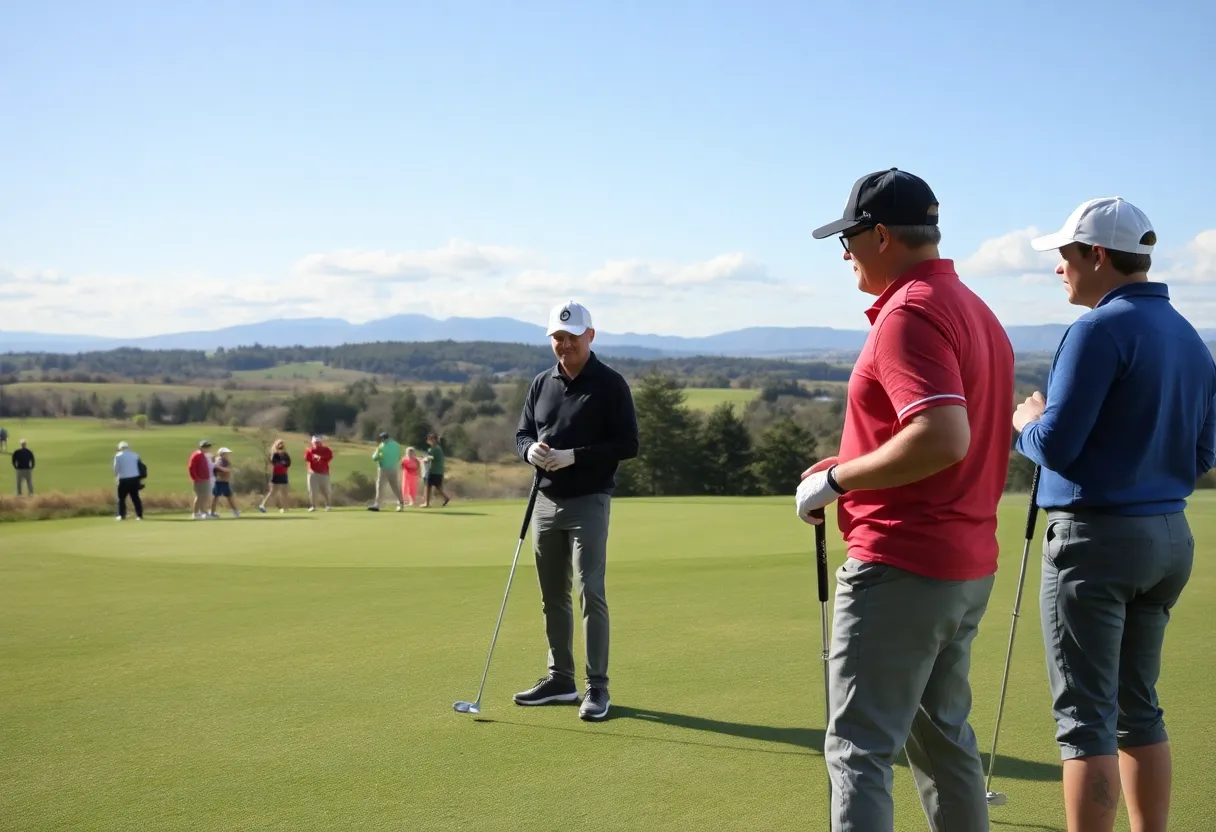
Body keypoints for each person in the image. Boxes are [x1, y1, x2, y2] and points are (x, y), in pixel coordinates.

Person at [796, 169, 1014, 831]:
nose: (845, 254)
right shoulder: (973, 308)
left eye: (850, 239)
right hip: (965, 564)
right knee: (946, 745)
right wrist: (846, 463)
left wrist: (839, 482)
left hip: (901, 564)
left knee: (857, 750)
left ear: (881, 235)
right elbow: (943, 436)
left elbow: (942, 437)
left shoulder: (909, 312)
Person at [1012, 197, 1215, 832]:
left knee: (1085, 720)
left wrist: (1025, 423)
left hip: (1094, 543)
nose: (1060, 270)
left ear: (1097, 255)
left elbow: (1054, 445)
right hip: (1170, 538)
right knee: (1139, 708)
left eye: (1066, 257)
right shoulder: (1188, 334)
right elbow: (1204, 451)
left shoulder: (1097, 329)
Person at [512, 300, 639, 721]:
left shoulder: (610, 384)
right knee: (552, 596)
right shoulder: (541, 383)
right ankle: (560, 680)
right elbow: (522, 433)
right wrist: (531, 450)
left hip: (589, 500)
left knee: (590, 592)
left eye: (571, 337)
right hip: (545, 500)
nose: (563, 345)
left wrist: (574, 457)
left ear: (590, 335)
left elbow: (627, 445)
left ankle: (597, 687)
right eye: (557, 338)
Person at [369, 431, 404, 512]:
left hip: (383, 468)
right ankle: (400, 503)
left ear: (383, 439)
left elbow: (374, 457)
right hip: (393, 468)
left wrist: (377, 458)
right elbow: (399, 457)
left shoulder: (382, 446)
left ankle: (377, 504)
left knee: (380, 486)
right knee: (395, 486)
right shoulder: (396, 445)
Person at [259, 439, 291, 513]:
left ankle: (285, 508)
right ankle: (263, 505)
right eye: (279, 444)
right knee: (273, 492)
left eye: (282, 444)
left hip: (284, 474)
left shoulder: (286, 455)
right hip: (276, 475)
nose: (281, 446)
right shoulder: (275, 454)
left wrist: (283, 463)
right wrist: (282, 463)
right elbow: (275, 462)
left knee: (284, 492)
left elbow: (288, 463)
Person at [113, 440, 143, 521]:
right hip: (135, 479)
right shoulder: (135, 455)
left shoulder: (118, 456)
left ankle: (121, 515)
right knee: (135, 498)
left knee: (121, 498)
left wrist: (117, 477)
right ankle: (139, 515)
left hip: (123, 479)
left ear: (120, 448)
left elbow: (116, 469)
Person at [304, 435, 334, 512]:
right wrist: (311, 453)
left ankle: (328, 505)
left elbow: (330, 456)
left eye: (318, 442)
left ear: (321, 442)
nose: (317, 444)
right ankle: (313, 506)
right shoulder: (309, 450)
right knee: (312, 490)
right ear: (312, 443)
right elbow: (306, 459)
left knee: (326, 490)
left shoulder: (326, 450)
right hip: (312, 473)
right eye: (315, 443)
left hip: (324, 473)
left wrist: (321, 457)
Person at [422, 433, 450, 507]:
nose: (428, 440)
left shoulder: (435, 448)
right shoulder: (436, 448)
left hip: (434, 470)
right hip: (438, 471)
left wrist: (424, 459)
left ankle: (427, 503)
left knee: (428, 486)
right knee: (437, 487)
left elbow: (430, 458)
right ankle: (446, 498)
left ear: (433, 440)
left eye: (429, 439)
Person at [210, 447, 240, 518]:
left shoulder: (222, 460)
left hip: (223, 481)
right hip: (220, 481)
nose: (228, 454)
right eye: (226, 453)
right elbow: (221, 468)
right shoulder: (221, 460)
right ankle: (212, 512)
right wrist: (229, 470)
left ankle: (235, 511)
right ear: (222, 454)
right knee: (216, 497)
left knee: (227, 496)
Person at [187, 441, 212, 518]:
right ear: (201, 447)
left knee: (204, 496)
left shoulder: (202, 455)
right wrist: (196, 478)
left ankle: (199, 513)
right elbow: (191, 468)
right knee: (200, 496)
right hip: (200, 480)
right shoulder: (197, 455)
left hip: (204, 479)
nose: (207, 449)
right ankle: (200, 513)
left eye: (208, 447)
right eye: (206, 447)